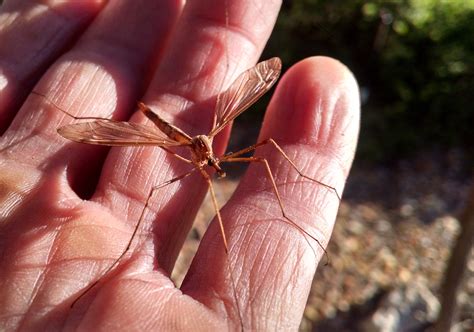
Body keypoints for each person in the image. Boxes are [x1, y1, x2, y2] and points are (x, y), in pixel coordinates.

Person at [0, 0, 359, 330]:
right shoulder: (183, 151)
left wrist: (296, 186)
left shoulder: (212, 150)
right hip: (165, 131)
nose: (215, 167)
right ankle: (125, 251)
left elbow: (266, 124)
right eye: (213, 164)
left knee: (267, 146)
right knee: (149, 169)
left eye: (214, 164)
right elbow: (158, 186)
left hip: (196, 137)